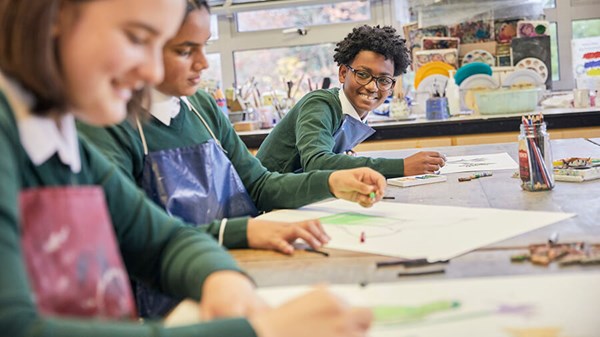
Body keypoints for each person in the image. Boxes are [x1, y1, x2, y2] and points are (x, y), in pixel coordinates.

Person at [0, 1, 373, 336]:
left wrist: (220, 276)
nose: (149, 72)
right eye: (136, 38)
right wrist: (257, 329)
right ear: (52, 15)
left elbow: (165, 242)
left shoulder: (56, 138)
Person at [256, 25, 447, 178]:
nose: (373, 87)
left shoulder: (355, 113)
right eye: (363, 74)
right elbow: (317, 162)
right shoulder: (319, 105)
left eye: (383, 80)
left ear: (391, 86)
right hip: (270, 205)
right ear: (343, 73)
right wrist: (402, 166)